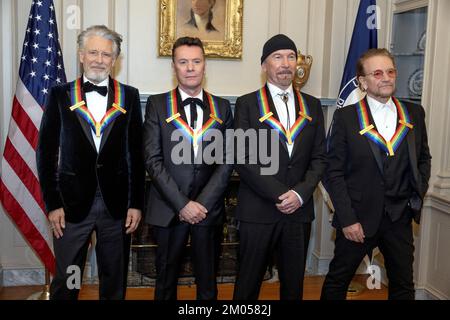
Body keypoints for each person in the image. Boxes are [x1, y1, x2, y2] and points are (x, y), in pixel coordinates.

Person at [36, 25, 145, 300]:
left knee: (114, 279)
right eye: (93, 52)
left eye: (106, 54)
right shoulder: (60, 94)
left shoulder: (129, 96)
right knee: (68, 279)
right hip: (71, 207)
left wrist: (136, 203)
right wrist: (53, 204)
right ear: (82, 55)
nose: (99, 59)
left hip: (116, 206)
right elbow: (46, 154)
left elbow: (136, 153)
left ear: (114, 60)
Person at [321, 48, 432, 300]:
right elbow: (333, 171)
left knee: (404, 285)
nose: (386, 78)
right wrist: (347, 219)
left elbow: (424, 159)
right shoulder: (346, 117)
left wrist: (416, 196)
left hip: (399, 217)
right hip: (357, 220)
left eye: (390, 71)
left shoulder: (415, 113)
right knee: (337, 282)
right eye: (378, 73)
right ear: (362, 81)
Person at [233, 34, 327, 300]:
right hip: (257, 210)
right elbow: (243, 157)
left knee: (293, 286)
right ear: (264, 65)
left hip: (299, 211)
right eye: (277, 57)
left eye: (290, 56)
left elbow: (320, 157)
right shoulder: (247, 104)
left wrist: (298, 194)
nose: (285, 63)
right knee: (247, 285)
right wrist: (278, 193)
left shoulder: (313, 105)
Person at [143, 36, 233, 300]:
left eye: (196, 61)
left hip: (209, 210)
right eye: (183, 62)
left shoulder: (223, 107)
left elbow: (229, 160)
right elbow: (152, 159)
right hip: (169, 209)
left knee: (208, 284)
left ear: (205, 66)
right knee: (165, 282)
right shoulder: (157, 105)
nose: (190, 67)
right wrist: (182, 204)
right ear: (174, 67)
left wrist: (201, 203)